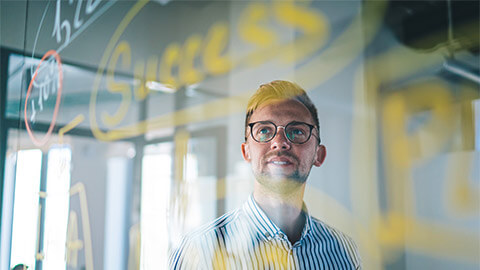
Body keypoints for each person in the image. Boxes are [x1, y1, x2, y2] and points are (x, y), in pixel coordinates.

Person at [169, 80, 361, 269]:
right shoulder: (198, 253)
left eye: (296, 131)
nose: (279, 142)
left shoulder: (344, 251)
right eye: (263, 131)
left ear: (318, 155)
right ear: (246, 152)